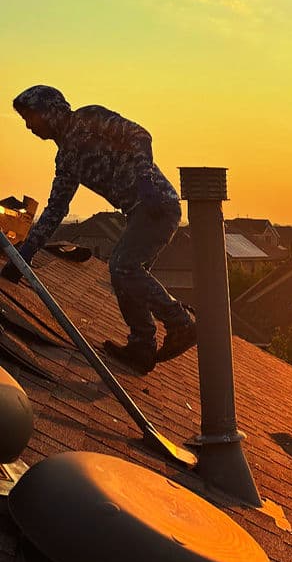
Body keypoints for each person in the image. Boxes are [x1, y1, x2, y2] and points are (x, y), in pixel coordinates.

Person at [5, 85, 196, 374]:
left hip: (157, 204)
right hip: (138, 213)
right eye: (24, 120)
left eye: (31, 117)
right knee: (125, 277)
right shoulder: (66, 159)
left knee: (122, 266)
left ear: (50, 110)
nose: (29, 126)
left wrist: (145, 179)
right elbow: (56, 210)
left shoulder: (88, 118)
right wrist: (24, 254)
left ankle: (180, 323)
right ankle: (141, 347)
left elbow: (139, 135)